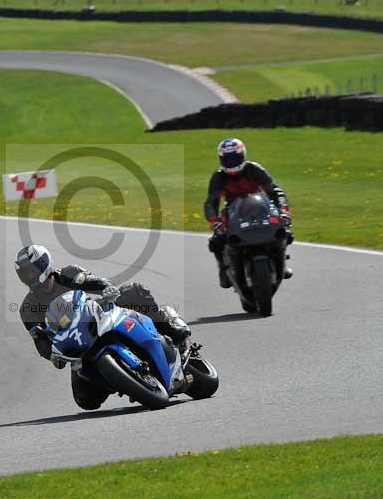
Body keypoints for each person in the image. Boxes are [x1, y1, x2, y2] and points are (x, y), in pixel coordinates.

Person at [15, 244, 191, 410]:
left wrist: (106, 288)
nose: (29, 277)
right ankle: (121, 379)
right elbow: (40, 341)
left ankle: (169, 325)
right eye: (25, 274)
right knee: (86, 401)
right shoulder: (27, 309)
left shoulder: (68, 273)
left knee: (135, 291)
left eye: (32, 271)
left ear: (44, 265)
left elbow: (94, 282)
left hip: (98, 315)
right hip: (78, 346)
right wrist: (52, 355)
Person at [204, 137, 293, 288]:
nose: (231, 163)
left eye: (235, 158)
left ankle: (282, 262)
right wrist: (214, 220)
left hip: (259, 206)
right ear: (221, 159)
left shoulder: (254, 169)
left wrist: (283, 211)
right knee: (216, 241)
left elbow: (275, 190)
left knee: (285, 231)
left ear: (243, 155)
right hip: (232, 210)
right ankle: (223, 269)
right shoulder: (218, 176)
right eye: (227, 159)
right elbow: (212, 200)